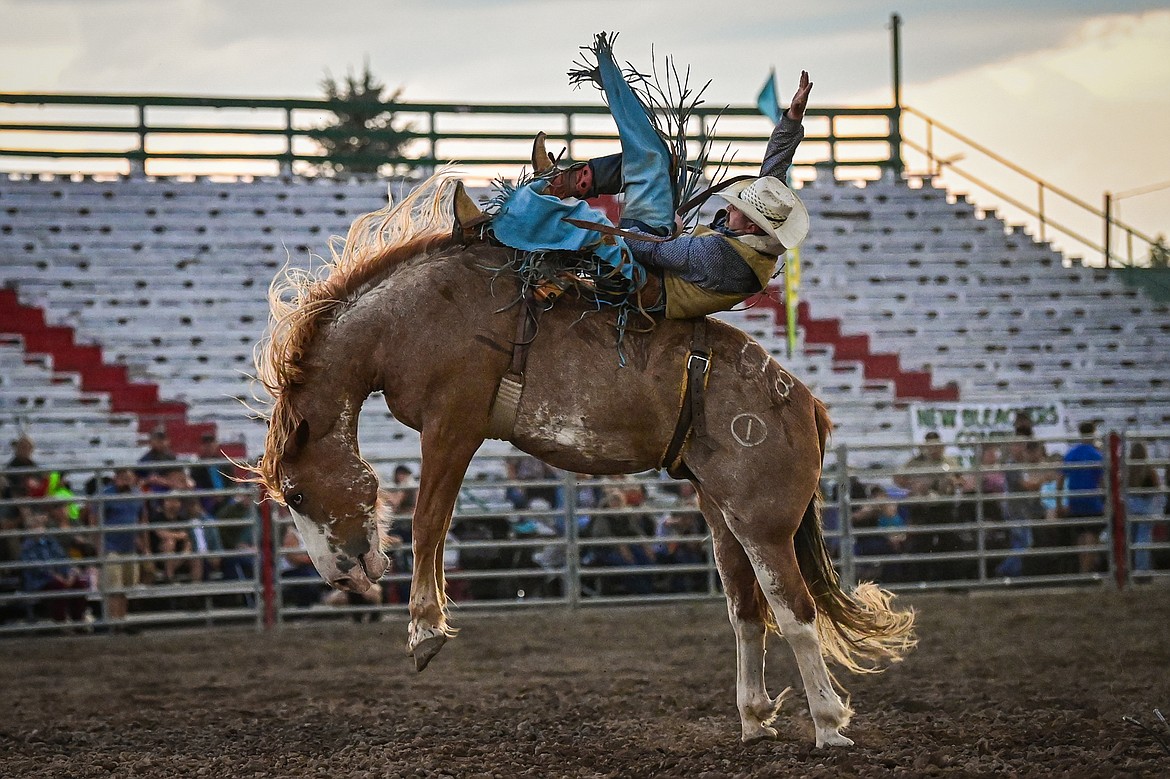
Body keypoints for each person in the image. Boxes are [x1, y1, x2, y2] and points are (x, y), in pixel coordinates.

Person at [491, 34, 813, 319]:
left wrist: (629, 232)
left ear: (754, 226)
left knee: (593, 218)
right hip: (656, 254)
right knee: (654, 159)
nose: (729, 208)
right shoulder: (760, 240)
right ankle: (561, 182)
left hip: (643, 280)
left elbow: (654, 250)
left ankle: (531, 202)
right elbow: (773, 173)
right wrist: (792, 119)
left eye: (738, 209)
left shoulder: (722, 257)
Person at [95, 468, 147, 625]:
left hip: (129, 546)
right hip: (111, 546)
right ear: (115, 478)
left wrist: (145, 546)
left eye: (128, 477)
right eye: (122, 477)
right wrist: (99, 549)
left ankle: (121, 620)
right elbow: (95, 520)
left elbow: (142, 519)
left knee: (126, 586)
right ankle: (114, 622)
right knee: (114, 587)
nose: (125, 481)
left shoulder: (137, 494)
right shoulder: (106, 495)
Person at [19, 510, 90, 623]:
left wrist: (70, 573)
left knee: (78, 583)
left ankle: (78, 621)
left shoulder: (50, 541)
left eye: (41, 525)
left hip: (58, 577)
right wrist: (56, 576)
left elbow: (63, 558)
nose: (39, 528)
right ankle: (60, 622)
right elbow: (37, 568)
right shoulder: (27, 546)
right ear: (29, 528)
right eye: (36, 526)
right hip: (40, 582)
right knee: (58, 586)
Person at [1061, 421, 1105, 574]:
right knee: (1091, 535)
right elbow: (1102, 481)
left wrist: (1060, 500)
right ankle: (1086, 571)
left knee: (1081, 535)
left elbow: (1061, 478)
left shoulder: (1071, 454)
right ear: (1093, 433)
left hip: (1075, 499)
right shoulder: (1096, 455)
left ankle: (1083, 568)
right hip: (1092, 499)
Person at [1125, 442, 1164, 573]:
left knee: (1130, 538)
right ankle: (1142, 568)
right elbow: (1158, 487)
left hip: (1131, 506)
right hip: (1146, 506)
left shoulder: (1128, 468)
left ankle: (1128, 568)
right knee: (1143, 539)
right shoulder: (1148, 468)